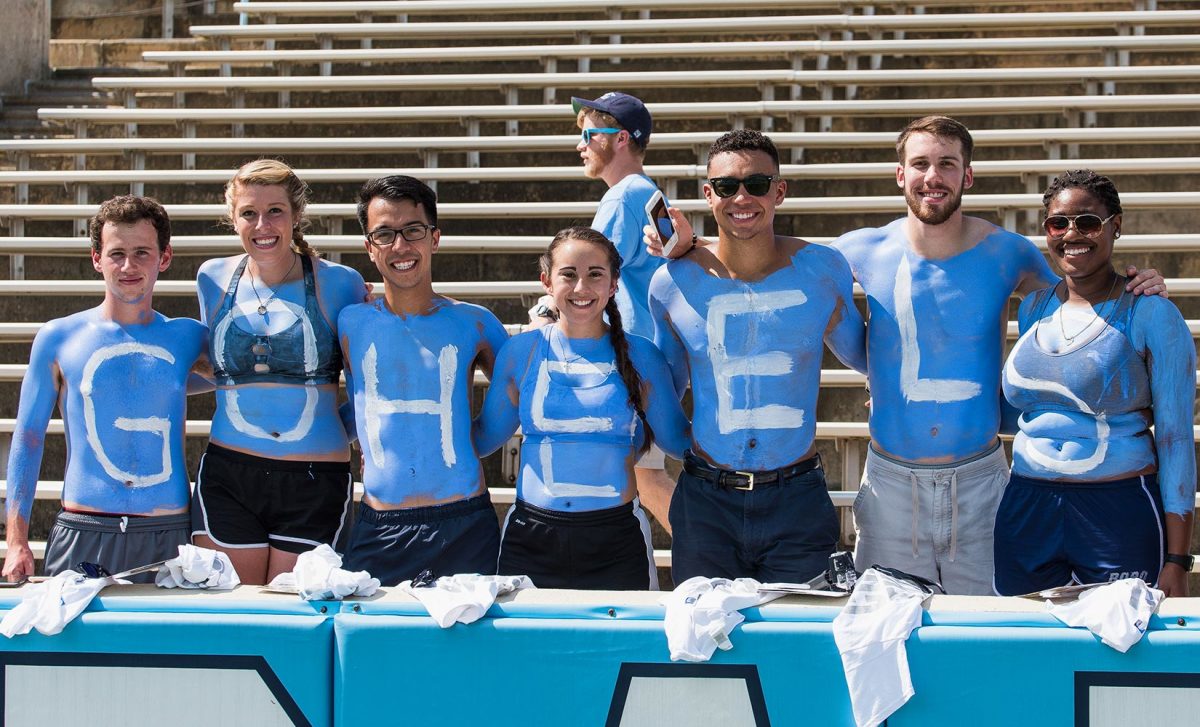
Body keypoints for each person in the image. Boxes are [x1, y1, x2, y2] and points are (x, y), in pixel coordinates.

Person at [829, 117, 1165, 595]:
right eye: (920, 164)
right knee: (887, 623)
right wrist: (881, 375)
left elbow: (1077, 307)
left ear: (967, 175)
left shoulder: (1008, 253)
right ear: (900, 174)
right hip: (891, 481)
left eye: (947, 164)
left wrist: (1137, 285)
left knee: (989, 623)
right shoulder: (857, 251)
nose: (933, 176)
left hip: (979, 477)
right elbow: (799, 293)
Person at [648, 129, 868, 583]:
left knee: (799, 626)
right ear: (709, 195)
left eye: (757, 184)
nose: (742, 197)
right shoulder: (671, 283)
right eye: (727, 186)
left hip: (795, 495)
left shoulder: (822, 270)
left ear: (779, 191)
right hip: (707, 498)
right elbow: (666, 385)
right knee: (703, 627)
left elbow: (866, 355)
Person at [994, 170, 1194, 597]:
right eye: (1058, 223)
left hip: (1117, 508)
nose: (1072, 234)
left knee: (1120, 638)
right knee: (1024, 633)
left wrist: (1178, 559)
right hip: (1027, 506)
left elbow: (1175, 437)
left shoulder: (1152, 312)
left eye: (1087, 222)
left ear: (1114, 226)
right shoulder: (1033, 308)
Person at [3, 195, 207, 583]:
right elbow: (28, 438)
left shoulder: (188, 338)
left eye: (142, 252)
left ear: (164, 257)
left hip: (167, 532)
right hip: (84, 529)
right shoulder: (59, 337)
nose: (129, 266)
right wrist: (17, 541)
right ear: (97, 258)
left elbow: (246, 377)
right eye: (117, 254)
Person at [474, 227, 689, 590]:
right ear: (547, 281)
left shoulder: (641, 356)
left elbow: (678, 441)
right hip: (531, 537)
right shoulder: (520, 352)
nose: (581, 287)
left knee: (630, 631)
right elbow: (482, 439)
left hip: (617, 540)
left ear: (614, 284)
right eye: (568, 274)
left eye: (595, 275)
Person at [192, 159, 366, 585]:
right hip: (229, 474)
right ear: (233, 218)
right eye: (249, 213)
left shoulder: (340, 283)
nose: (262, 225)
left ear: (296, 215)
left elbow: (364, 388)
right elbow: (219, 372)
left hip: (314, 479)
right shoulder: (212, 278)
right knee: (231, 608)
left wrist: (327, 434)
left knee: (294, 609)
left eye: (275, 211)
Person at [339, 175, 509, 586]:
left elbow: (519, 391)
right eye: (384, 234)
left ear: (434, 238)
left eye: (413, 230)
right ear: (369, 247)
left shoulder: (475, 323)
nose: (400, 246)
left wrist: (467, 442)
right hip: (380, 524)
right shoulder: (349, 322)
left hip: (463, 523)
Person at [565, 91, 678, 531]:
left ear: (622, 138)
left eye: (590, 135)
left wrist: (547, 313)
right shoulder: (646, 191)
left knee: (639, 478)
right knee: (645, 476)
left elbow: (585, 271)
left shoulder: (623, 196)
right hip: (653, 356)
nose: (581, 145)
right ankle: (713, 556)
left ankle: (714, 557)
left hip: (633, 361)